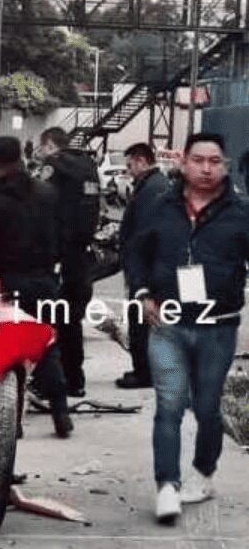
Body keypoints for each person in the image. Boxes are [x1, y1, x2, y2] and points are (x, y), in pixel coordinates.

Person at [125, 133, 249, 524]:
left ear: (224, 166)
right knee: (169, 405)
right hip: (169, 324)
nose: (207, 168)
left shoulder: (241, 213)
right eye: (199, 160)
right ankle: (167, 485)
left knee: (208, 409)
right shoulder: (161, 208)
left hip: (218, 327)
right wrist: (144, 293)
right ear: (183, 163)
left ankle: (204, 471)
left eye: (215, 161)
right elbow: (136, 253)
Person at [0, 136, 73, 438]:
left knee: (8, 354)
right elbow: (63, 237)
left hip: (7, 285)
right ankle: (60, 411)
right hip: (44, 281)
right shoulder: (48, 194)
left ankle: (11, 425)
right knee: (47, 346)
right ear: (21, 158)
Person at [38, 127, 101, 397]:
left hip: (57, 257)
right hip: (81, 256)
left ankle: (49, 383)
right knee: (71, 320)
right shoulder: (88, 164)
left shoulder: (54, 166)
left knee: (47, 319)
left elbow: (38, 205)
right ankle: (76, 381)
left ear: (50, 145)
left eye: (42, 149)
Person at [115, 143, 170, 389]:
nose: (128, 171)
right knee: (141, 319)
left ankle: (144, 373)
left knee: (140, 320)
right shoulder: (153, 185)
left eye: (129, 166)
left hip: (147, 266)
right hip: (147, 264)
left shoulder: (152, 189)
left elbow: (144, 233)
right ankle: (143, 369)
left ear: (141, 161)